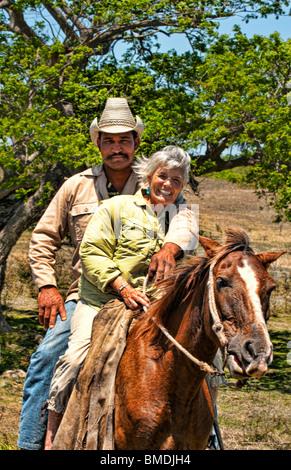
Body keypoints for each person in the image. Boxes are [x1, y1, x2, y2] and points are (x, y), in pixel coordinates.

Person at [17, 99, 197, 450]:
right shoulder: (75, 186)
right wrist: (47, 286)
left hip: (149, 294)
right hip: (86, 293)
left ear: (136, 144)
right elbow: (43, 237)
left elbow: (185, 220)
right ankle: (33, 443)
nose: (117, 148)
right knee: (49, 355)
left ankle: (200, 436)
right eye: (109, 140)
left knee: (196, 351)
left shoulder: (159, 182)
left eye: (124, 140)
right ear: (98, 143)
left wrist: (170, 249)